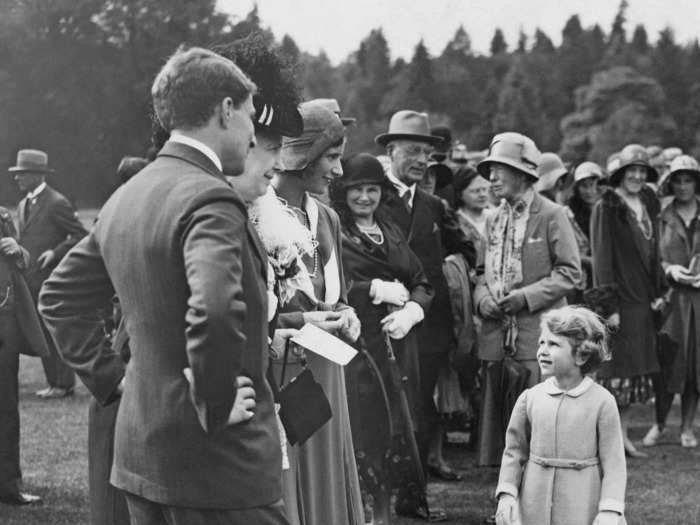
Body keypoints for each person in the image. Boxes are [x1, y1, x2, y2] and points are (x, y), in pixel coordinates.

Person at [40, 47, 290, 524]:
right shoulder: (210, 196)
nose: (255, 133)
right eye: (252, 117)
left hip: (143, 459)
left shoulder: (127, 195)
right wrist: (214, 404)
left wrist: (117, 381)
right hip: (220, 471)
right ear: (226, 110)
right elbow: (214, 307)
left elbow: (58, 298)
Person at [375, 110, 475, 521]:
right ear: (391, 151)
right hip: (383, 324)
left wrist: (455, 273)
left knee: (419, 414)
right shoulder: (371, 197)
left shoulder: (433, 205)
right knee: (386, 416)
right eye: (412, 151)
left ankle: (413, 500)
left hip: (430, 328)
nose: (421, 160)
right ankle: (381, 500)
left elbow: (465, 247)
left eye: (427, 154)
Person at [270, 99, 364, 525]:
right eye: (331, 157)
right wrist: (298, 322)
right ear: (301, 155)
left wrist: (349, 314)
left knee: (327, 467)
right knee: (291, 470)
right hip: (284, 366)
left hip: (329, 363)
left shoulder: (327, 217)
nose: (339, 172)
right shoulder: (256, 214)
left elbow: (335, 293)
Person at [329, 153, 434, 525]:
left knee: (398, 423)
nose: (364, 197)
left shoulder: (390, 228)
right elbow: (328, 288)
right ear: (344, 191)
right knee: (366, 425)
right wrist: (370, 288)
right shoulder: (335, 229)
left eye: (372, 189)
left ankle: (390, 509)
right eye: (356, 189)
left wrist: (413, 311)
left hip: (398, 342)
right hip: (359, 345)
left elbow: (422, 280)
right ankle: (364, 510)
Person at [473, 132, 581, 467]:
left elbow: (570, 272)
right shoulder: (492, 217)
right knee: (503, 432)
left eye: (499, 169)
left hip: (538, 341)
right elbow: (479, 271)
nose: (491, 177)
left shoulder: (552, 214)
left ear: (522, 174)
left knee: (539, 432)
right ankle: (507, 505)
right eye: (489, 169)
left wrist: (526, 297)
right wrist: (482, 300)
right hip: (496, 342)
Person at [495, 306, 626, 525]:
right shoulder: (530, 398)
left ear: (582, 355)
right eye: (541, 342)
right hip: (533, 499)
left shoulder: (602, 402)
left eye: (554, 344)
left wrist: (610, 509)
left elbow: (613, 463)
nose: (543, 351)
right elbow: (514, 453)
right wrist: (507, 495)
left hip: (583, 500)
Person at [590, 143, 663, 458]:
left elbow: (653, 250)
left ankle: (622, 437)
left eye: (642, 171)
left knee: (637, 371)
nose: (636, 175)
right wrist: (609, 307)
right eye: (631, 170)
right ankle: (610, 440)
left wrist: (659, 292)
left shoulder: (647, 201)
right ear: (619, 173)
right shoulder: (607, 205)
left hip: (643, 297)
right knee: (616, 371)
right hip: (621, 299)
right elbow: (602, 258)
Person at [8, 148, 87, 399]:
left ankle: (63, 384)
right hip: (30, 280)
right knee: (40, 333)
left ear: (37, 175)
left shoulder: (57, 202)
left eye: (22, 173)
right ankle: (54, 383)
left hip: (51, 280)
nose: (17, 178)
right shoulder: (23, 204)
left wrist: (55, 252)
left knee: (54, 332)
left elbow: (80, 235)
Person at [644, 154, 700, 449]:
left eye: (688, 179)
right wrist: (669, 269)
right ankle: (660, 423)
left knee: (695, 366)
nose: (682, 186)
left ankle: (688, 427)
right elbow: (653, 258)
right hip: (672, 300)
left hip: (699, 302)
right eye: (677, 180)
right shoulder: (662, 217)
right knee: (666, 363)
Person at [0, 206, 47, 506]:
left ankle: (7, 486)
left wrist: (18, 250)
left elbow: (21, 264)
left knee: (5, 410)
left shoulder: (3, 217)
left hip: (5, 328)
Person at [566, 161, 604, 303]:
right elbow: (567, 251)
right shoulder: (569, 214)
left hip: (605, 276)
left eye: (593, 185)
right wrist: (591, 261)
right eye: (584, 186)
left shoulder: (608, 210)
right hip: (580, 280)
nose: (589, 191)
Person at [453, 167, 493, 268]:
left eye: (484, 189)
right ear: (460, 194)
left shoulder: (496, 216)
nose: (482, 195)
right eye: (475, 191)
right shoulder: (454, 222)